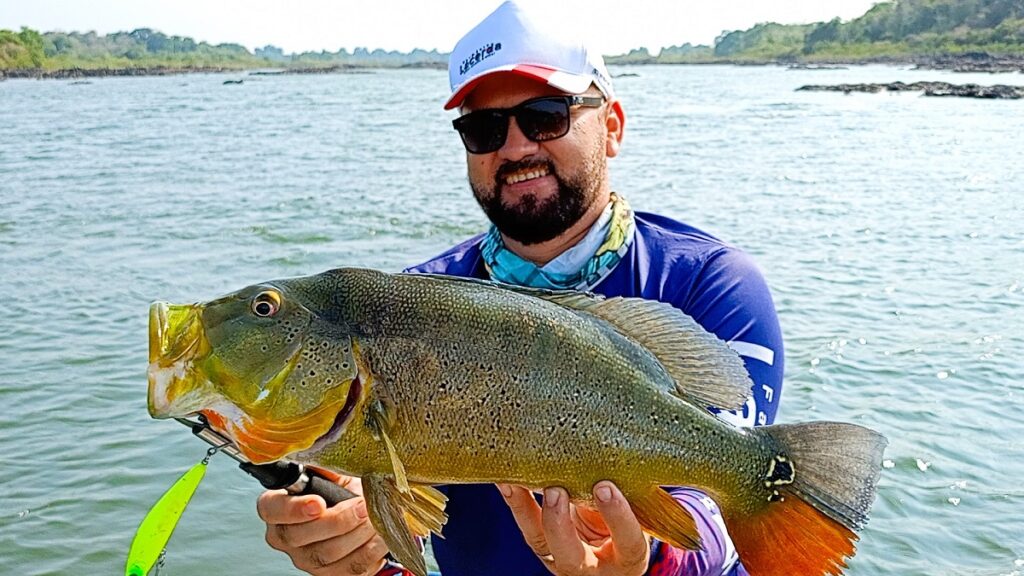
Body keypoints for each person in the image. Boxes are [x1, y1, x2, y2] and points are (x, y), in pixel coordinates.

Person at [256, 2, 784, 575]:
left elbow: (728, 509)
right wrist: (355, 551)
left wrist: (654, 561)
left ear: (611, 127)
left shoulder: (714, 282)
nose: (514, 148)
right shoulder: (409, 303)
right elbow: (401, 537)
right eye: (484, 129)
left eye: (545, 116)